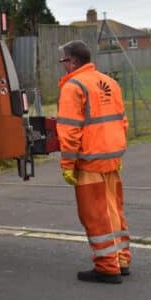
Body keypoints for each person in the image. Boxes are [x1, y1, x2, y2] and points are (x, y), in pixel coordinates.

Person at [56, 40, 130, 284]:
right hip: (112, 159)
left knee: (95, 215)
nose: (62, 66)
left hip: (89, 162)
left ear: (73, 61)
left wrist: (67, 165)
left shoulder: (73, 86)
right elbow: (122, 121)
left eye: (63, 60)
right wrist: (116, 154)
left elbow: (69, 131)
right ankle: (121, 260)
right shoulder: (110, 82)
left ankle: (107, 267)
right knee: (113, 211)